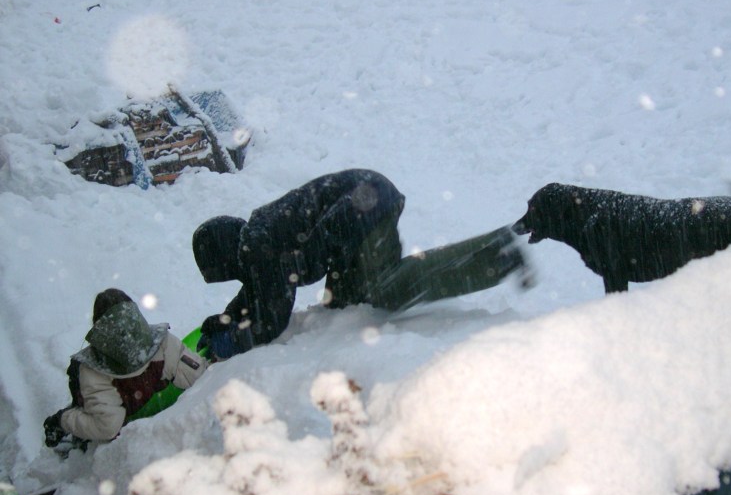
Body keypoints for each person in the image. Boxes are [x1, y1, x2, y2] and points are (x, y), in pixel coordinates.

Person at [193, 168, 531, 359]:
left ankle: (494, 253)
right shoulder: (258, 240)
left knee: (384, 290)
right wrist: (220, 322)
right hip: (360, 206)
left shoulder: (258, 245)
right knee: (344, 307)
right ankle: (493, 254)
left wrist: (235, 342)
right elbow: (257, 292)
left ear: (224, 259)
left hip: (362, 206)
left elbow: (272, 314)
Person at [43, 289, 209, 448]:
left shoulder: (163, 343)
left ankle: (70, 423)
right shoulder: (91, 370)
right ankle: (70, 425)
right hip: (111, 409)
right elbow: (107, 427)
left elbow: (200, 375)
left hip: (130, 406)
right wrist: (63, 421)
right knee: (91, 421)